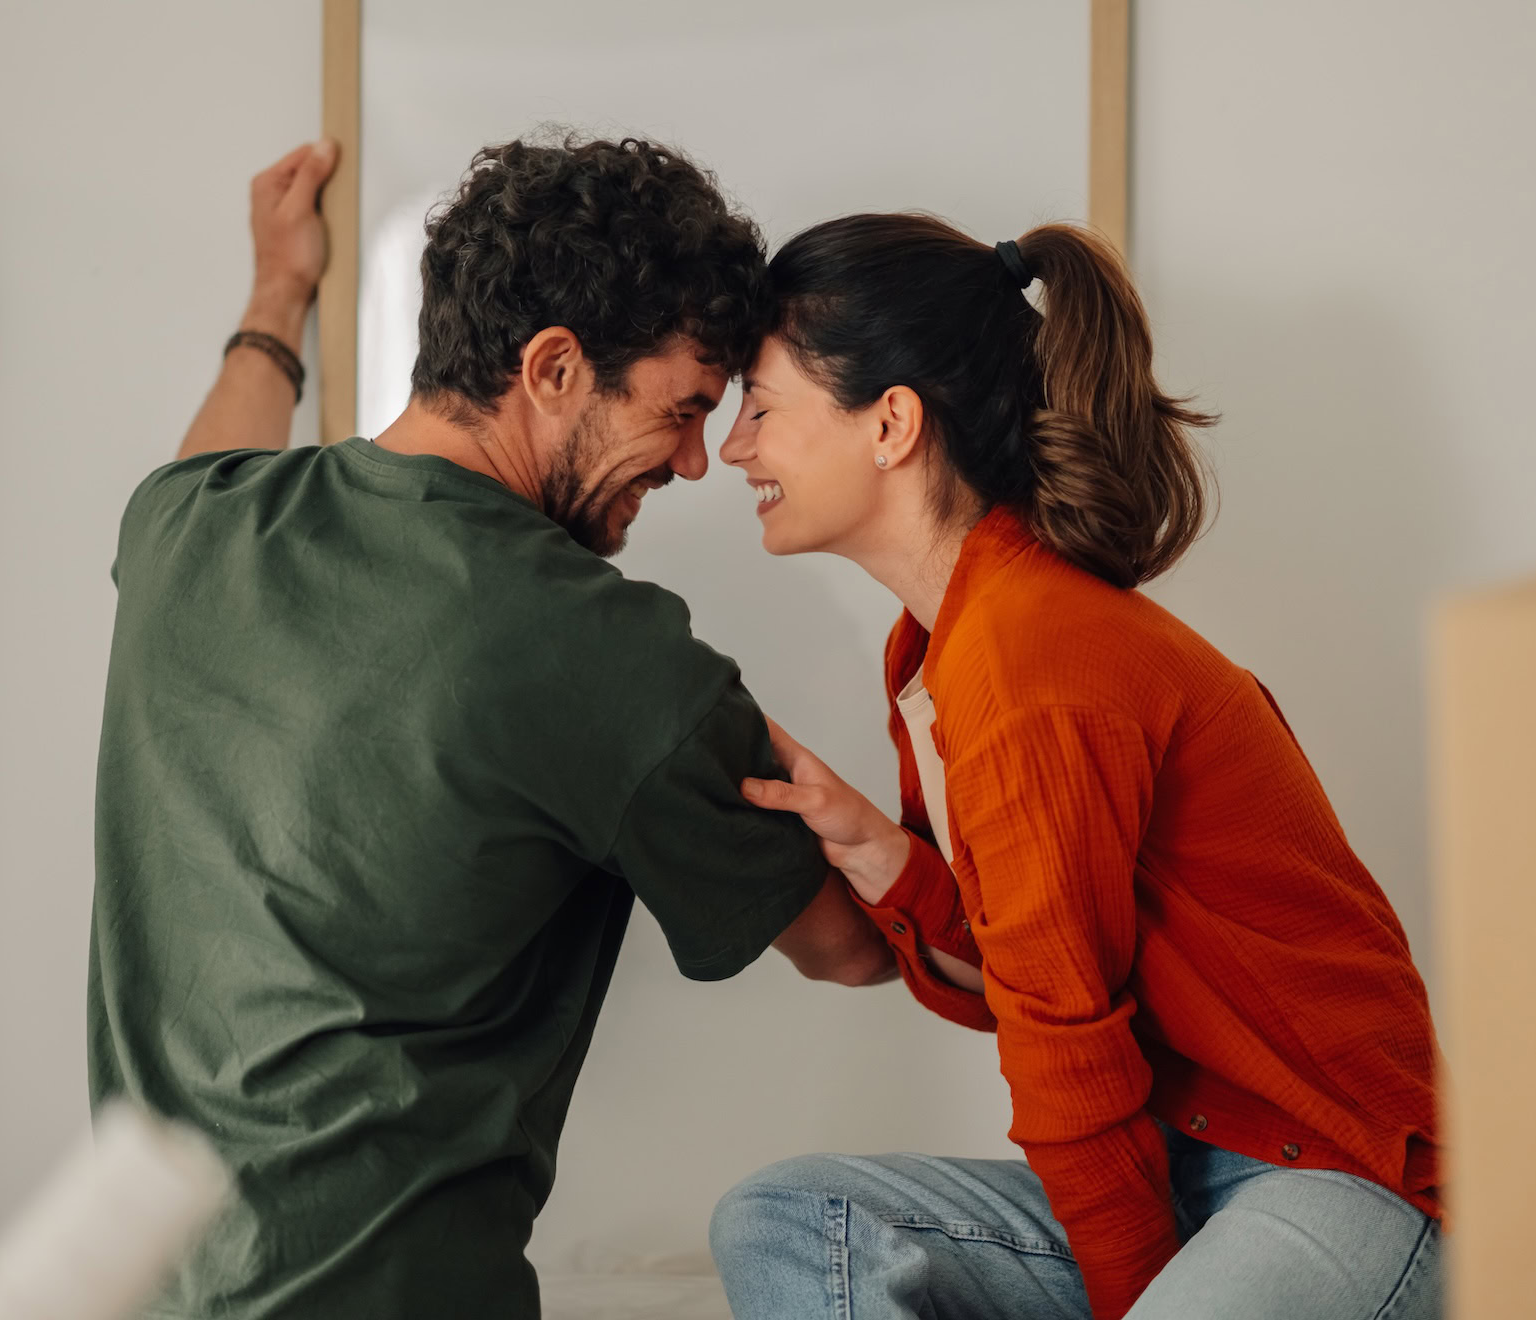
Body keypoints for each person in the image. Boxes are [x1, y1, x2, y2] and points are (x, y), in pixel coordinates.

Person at [88, 136, 894, 1320]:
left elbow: (222, 448)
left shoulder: (183, 533)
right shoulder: (611, 657)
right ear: (555, 366)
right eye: (681, 410)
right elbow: (853, 947)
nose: (693, 462)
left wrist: (278, 294)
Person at [708, 215, 1443, 1320]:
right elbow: (1038, 971)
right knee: (784, 1218)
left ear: (892, 424)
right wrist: (889, 858)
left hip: (1338, 1175)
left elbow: (1066, 1050)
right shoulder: (941, 646)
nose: (733, 448)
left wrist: (1132, 1299)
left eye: (761, 407)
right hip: (1191, 1164)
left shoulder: (1028, 656)